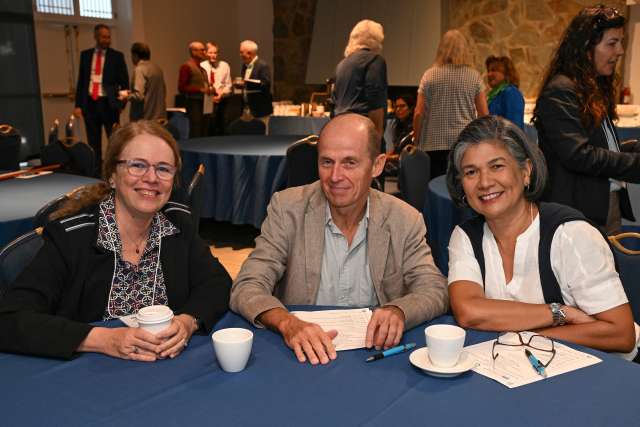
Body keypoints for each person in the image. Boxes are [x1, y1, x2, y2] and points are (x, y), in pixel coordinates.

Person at [0, 121, 231, 360]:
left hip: (166, 371)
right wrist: (101, 339)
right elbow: (9, 319)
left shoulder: (177, 225)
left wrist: (187, 321)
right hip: (88, 377)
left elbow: (217, 282)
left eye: (163, 169)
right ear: (112, 175)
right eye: (137, 165)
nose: (151, 178)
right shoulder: (73, 237)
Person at [230, 113, 448, 365]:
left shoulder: (404, 219)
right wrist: (287, 323)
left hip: (375, 358)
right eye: (326, 162)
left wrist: (399, 310)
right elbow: (247, 286)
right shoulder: (287, 208)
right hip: (301, 355)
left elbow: (435, 289)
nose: (335, 176)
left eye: (350, 163)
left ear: (377, 166)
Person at [446, 115, 638, 358]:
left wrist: (530, 338)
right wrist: (560, 313)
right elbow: (469, 311)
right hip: (524, 365)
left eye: (497, 166)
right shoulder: (465, 237)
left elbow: (621, 334)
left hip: (602, 371)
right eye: (471, 172)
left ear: (525, 171)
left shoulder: (571, 235)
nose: (484, 182)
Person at [534, 6, 640, 234]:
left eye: (621, 42)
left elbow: (599, 147)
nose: (620, 51)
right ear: (586, 48)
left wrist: (633, 148)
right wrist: (635, 165)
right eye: (612, 43)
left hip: (602, 205)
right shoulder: (561, 90)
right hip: (578, 214)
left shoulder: (591, 87)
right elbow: (578, 155)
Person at [414, 29, 488, 179]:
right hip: (464, 144)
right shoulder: (473, 76)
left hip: (432, 145)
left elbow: (418, 113)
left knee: (435, 188)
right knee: (462, 189)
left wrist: (417, 139)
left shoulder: (430, 75)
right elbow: (484, 114)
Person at [74, 24, 128, 175]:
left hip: (109, 104)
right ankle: (96, 173)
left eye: (108, 37)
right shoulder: (85, 55)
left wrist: (121, 103)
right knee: (93, 141)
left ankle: (113, 171)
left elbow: (124, 82)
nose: (107, 40)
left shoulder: (117, 56)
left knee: (113, 140)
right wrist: (78, 105)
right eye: (103, 37)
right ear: (96, 37)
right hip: (90, 103)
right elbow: (82, 81)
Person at [332, 19, 388, 138]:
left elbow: (334, 99)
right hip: (362, 131)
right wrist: (377, 136)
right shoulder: (375, 60)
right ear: (376, 40)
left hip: (340, 128)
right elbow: (375, 99)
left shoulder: (341, 64)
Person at [123, 42, 166, 122]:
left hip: (144, 119)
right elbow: (163, 91)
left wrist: (126, 95)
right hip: (159, 117)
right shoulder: (157, 69)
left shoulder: (140, 69)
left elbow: (139, 96)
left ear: (135, 56)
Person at [200, 42, 232, 135]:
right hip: (207, 100)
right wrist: (211, 96)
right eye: (210, 53)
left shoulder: (224, 65)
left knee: (222, 126)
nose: (213, 55)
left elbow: (228, 85)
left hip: (222, 101)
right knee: (209, 126)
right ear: (205, 53)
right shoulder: (202, 66)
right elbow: (202, 85)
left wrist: (221, 94)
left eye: (215, 53)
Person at [178, 41, 209, 138]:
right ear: (194, 52)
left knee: (203, 130)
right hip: (193, 102)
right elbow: (181, 87)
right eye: (202, 50)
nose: (205, 52)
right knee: (196, 129)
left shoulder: (202, 69)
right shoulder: (186, 67)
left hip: (204, 103)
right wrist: (200, 90)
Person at [236, 40, 273, 119]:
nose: (240, 55)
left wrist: (247, 84)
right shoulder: (245, 66)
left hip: (260, 110)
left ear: (250, 53)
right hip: (247, 109)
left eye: (242, 52)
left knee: (259, 131)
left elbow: (266, 85)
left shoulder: (263, 66)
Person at [485, 55, 524, 129]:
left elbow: (514, 126)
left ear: (506, 73)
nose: (489, 74)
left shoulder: (511, 93)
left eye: (493, 70)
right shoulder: (494, 94)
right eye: (488, 71)